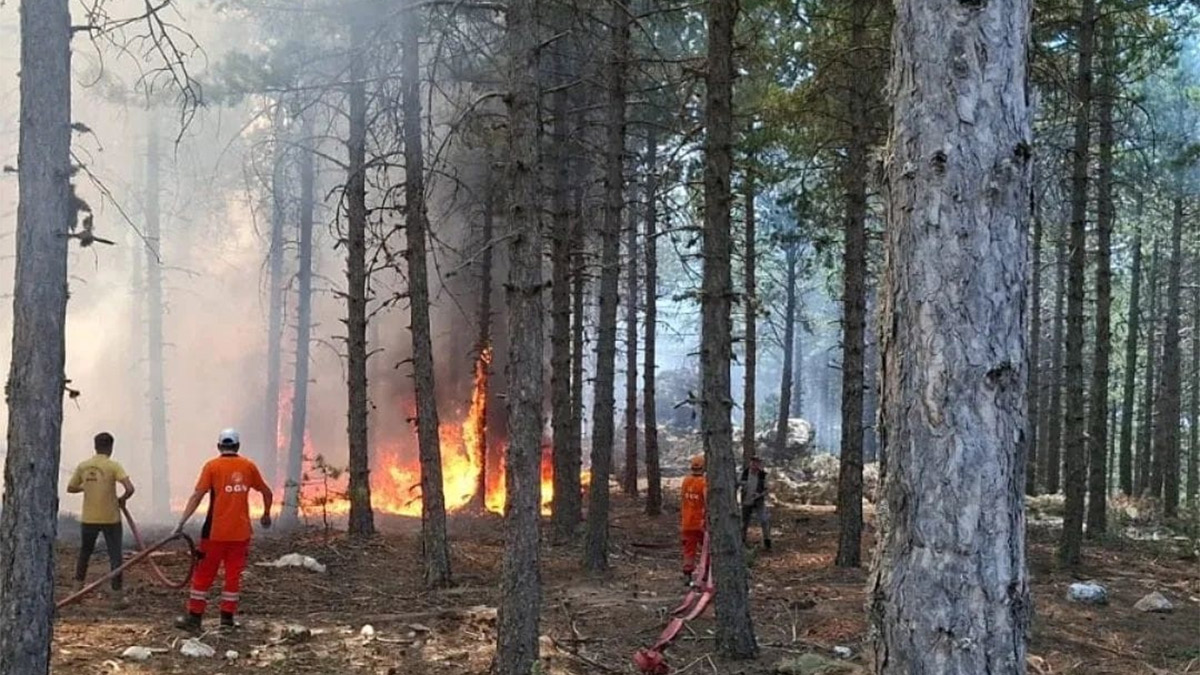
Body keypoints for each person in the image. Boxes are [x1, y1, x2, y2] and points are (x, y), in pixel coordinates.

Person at [173, 428, 272, 631]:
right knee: (233, 576)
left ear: (219, 446)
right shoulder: (248, 466)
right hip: (241, 534)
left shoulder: (212, 466)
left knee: (204, 574)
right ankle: (227, 619)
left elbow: (197, 495)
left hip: (214, 534)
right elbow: (267, 492)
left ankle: (195, 618)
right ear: (237, 446)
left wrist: (182, 522)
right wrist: (266, 514)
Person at [67, 432, 135, 606]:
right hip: (111, 518)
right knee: (115, 556)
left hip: (89, 518)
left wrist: (88, 487)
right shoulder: (113, 466)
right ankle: (117, 598)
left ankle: (76, 591)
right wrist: (122, 499)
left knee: (85, 553)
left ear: (95, 446)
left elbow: (71, 487)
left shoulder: (84, 466)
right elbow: (129, 488)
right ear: (110, 447)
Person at [680, 454, 707, 579]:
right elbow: (707, 501)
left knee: (689, 549)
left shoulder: (686, 481)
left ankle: (687, 573)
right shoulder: (704, 482)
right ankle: (706, 573)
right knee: (707, 549)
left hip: (687, 522)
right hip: (700, 523)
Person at [739, 455, 772, 550]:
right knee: (744, 522)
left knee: (764, 520)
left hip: (759, 501)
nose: (754, 465)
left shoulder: (763, 475)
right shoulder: (745, 473)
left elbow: (767, 490)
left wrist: (759, 494)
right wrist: (742, 486)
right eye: (753, 462)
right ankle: (742, 542)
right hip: (746, 501)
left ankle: (767, 542)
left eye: (757, 463)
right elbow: (738, 484)